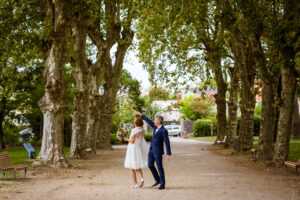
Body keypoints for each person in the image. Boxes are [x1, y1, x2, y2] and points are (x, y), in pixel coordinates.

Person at [135, 111, 171, 190]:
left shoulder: (164, 130)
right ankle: (157, 179)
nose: (154, 121)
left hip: (158, 151)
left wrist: (168, 153)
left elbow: (167, 142)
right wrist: (141, 115)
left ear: (158, 121)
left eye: (155, 120)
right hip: (151, 150)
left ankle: (162, 184)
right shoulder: (155, 127)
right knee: (150, 165)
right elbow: (149, 121)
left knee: (159, 167)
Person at [124, 117, 149, 188]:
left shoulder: (134, 130)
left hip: (132, 149)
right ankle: (142, 179)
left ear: (135, 123)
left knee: (132, 167)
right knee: (138, 166)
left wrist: (127, 139)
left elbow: (132, 141)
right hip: (138, 148)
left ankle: (135, 184)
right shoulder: (142, 130)